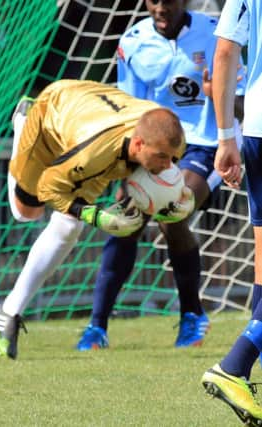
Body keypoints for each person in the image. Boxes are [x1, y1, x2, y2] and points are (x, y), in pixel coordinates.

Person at [76, 0, 246, 351]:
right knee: (124, 220)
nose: (160, 8)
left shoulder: (217, 34)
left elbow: (243, 102)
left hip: (204, 144)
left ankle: (191, 316)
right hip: (153, 149)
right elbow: (129, 113)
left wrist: (220, 97)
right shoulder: (133, 41)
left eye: (167, 0)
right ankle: (96, 327)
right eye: (153, 0)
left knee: (173, 212)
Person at [0, 79, 194, 359]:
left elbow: (164, 168)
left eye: (172, 158)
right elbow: (49, 186)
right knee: (26, 212)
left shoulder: (165, 138)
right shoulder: (94, 151)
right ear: (138, 143)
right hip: (51, 114)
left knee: (68, 225)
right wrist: (93, 215)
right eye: (161, 157)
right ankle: (22, 122)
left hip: (94, 114)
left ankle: (9, 312)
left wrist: (180, 195)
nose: (167, 164)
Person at [201, 1, 262, 424]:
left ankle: (243, 371)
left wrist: (227, 138)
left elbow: (225, 52)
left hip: (256, 130)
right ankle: (235, 364)